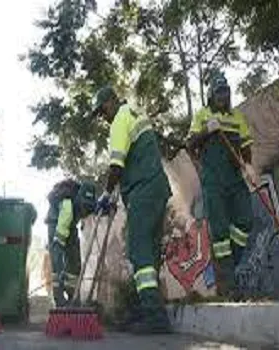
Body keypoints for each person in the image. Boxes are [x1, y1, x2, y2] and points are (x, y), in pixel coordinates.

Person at [91, 85, 172, 334]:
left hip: (143, 191)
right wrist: (117, 195)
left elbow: (116, 165)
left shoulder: (119, 121)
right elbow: (133, 159)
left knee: (139, 250)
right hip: (157, 188)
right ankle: (146, 307)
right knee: (150, 250)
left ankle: (154, 317)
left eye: (102, 110)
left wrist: (106, 193)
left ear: (112, 102)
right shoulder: (137, 114)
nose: (103, 117)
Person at [184, 72, 257, 298]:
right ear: (210, 95)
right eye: (218, 92)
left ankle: (229, 267)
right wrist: (207, 130)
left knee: (246, 220)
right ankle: (230, 284)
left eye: (225, 92)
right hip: (213, 181)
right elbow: (189, 144)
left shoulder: (237, 118)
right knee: (220, 232)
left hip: (235, 178)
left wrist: (248, 167)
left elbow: (245, 146)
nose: (222, 96)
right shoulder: (202, 115)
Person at [44, 179, 96, 307]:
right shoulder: (67, 206)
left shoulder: (84, 201)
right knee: (58, 263)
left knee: (74, 261)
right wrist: (58, 243)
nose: (85, 211)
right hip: (56, 224)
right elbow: (62, 227)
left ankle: (73, 294)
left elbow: (94, 208)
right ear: (79, 200)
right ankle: (59, 299)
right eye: (83, 207)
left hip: (70, 226)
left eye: (87, 208)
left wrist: (106, 207)